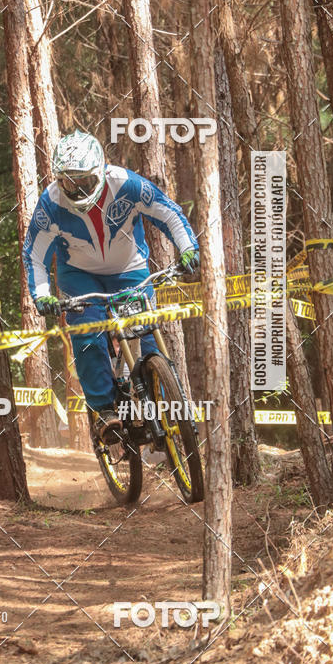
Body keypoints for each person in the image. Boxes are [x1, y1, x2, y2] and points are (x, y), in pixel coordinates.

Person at [22, 130, 199, 442]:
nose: (76, 190)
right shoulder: (50, 203)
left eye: (84, 182)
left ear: (100, 171)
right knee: (87, 333)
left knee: (147, 330)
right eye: (68, 182)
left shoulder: (127, 184)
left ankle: (165, 401)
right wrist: (42, 295)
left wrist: (187, 249)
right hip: (79, 275)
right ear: (58, 180)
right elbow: (35, 254)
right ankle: (104, 409)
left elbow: (169, 214)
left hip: (129, 269)